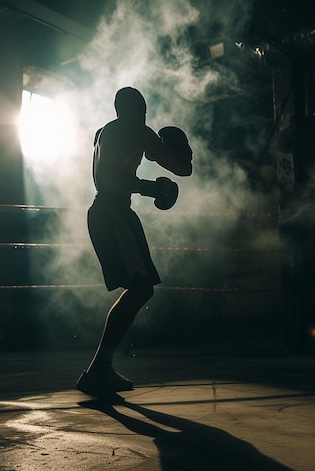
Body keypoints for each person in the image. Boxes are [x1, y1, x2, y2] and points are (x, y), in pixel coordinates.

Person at [77, 87, 193, 401]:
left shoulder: (107, 132)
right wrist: (150, 185)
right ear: (132, 110)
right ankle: (98, 369)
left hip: (113, 213)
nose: (142, 116)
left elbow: (181, 167)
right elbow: (109, 179)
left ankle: (101, 368)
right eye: (140, 110)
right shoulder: (133, 131)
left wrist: (173, 161)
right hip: (111, 212)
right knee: (141, 288)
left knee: (141, 288)